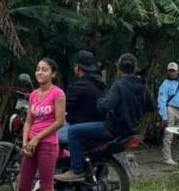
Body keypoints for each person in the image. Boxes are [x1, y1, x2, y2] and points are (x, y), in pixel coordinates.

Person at [55, 53, 155, 182]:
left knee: (73, 131)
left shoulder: (119, 85)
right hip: (132, 130)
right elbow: (151, 107)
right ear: (135, 68)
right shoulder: (142, 86)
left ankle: (76, 170)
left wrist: (100, 101)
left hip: (113, 128)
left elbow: (105, 106)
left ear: (118, 68)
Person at [19, 58, 66, 191]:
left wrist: (38, 138)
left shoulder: (58, 93)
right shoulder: (33, 94)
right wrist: (24, 143)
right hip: (31, 144)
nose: (40, 73)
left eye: (44, 70)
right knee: (24, 185)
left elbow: (59, 122)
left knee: (46, 186)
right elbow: (28, 121)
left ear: (53, 74)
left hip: (48, 144)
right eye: (38, 69)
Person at [60, 50, 105, 143]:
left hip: (79, 129)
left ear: (77, 67)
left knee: (47, 135)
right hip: (98, 128)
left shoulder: (77, 87)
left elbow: (62, 106)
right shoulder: (101, 84)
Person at [158, 62, 179, 165]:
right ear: (167, 72)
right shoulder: (165, 84)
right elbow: (162, 100)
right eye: (170, 71)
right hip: (170, 109)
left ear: (177, 71)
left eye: (173, 71)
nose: (171, 73)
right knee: (169, 135)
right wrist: (164, 116)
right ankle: (167, 157)